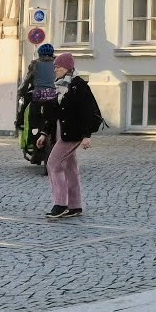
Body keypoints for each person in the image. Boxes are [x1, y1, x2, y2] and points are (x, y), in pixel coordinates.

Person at [44, 52, 102, 219]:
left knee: (53, 164)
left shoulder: (78, 85)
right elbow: (54, 113)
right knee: (70, 168)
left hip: (73, 134)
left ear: (67, 68)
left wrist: (87, 135)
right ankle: (75, 206)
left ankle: (60, 204)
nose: (55, 70)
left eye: (58, 67)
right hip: (62, 132)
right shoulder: (59, 85)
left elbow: (88, 111)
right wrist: (43, 133)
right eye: (54, 67)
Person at [18, 44, 58, 165]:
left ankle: (20, 124)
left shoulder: (34, 64)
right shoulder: (57, 64)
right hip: (53, 98)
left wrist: (21, 92)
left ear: (39, 54)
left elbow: (27, 81)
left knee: (29, 118)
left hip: (37, 99)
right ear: (52, 54)